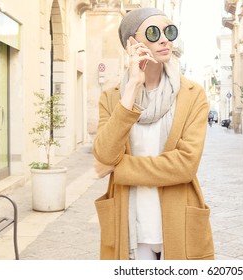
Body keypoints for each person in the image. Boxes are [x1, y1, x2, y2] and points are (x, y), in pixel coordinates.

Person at [93, 7, 214, 260]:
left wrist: (121, 169)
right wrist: (132, 88)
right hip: (130, 222)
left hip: (177, 217)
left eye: (169, 31)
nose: (164, 39)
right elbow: (104, 154)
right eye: (153, 31)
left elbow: (185, 165)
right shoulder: (112, 97)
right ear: (132, 42)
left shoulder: (193, 95)